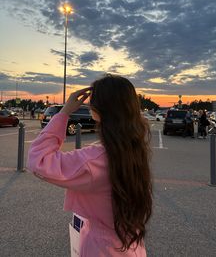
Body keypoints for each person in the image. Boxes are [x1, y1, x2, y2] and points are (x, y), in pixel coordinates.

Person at [27, 74, 152, 256]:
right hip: (132, 246)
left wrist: (64, 113)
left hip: (102, 248)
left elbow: (38, 160)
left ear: (96, 110)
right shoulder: (133, 149)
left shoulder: (94, 160)